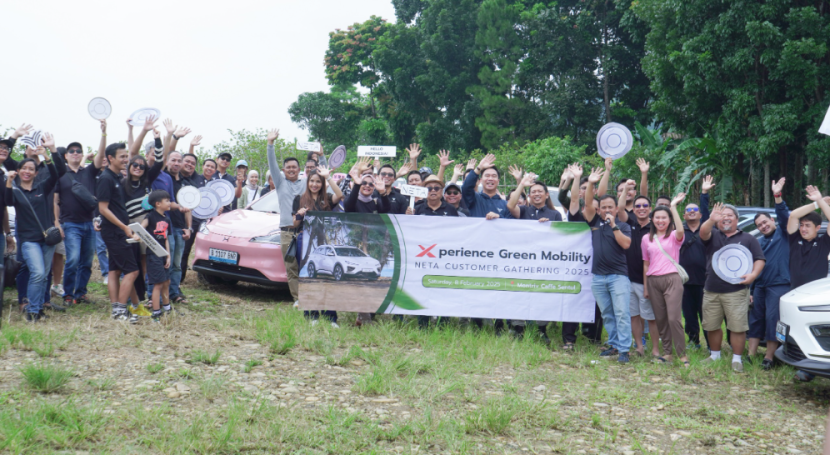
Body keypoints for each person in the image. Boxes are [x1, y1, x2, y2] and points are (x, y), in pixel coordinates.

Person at [266, 128, 333, 308]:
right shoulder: (280, 183)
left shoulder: (306, 182)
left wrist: (322, 156)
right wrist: (270, 144)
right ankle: (298, 299)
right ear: (283, 170)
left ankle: (313, 297)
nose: (291, 170)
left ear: (299, 169)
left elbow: (323, 175)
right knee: (292, 267)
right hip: (288, 231)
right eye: (288, 168)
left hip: (308, 231)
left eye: (294, 167)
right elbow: (271, 163)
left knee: (310, 265)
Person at [97, 117, 153, 321]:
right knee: (132, 271)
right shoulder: (105, 179)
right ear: (110, 158)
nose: (125, 159)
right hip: (115, 232)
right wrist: (124, 227)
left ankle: (117, 308)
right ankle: (120, 310)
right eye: (122, 156)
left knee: (114, 270)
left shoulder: (115, 178)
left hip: (117, 230)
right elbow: (103, 209)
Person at [699, 203, 766, 372]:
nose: (726, 218)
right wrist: (710, 219)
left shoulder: (748, 238)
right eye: (722, 215)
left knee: (737, 326)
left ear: (737, 219)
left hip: (736, 291)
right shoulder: (713, 234)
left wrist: (753, 275)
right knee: (712, 325)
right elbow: (703, 232)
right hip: (712, 289)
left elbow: (759, 259)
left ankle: (737, 359)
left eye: (730, 215)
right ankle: (715, 355)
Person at [5, 134, 60, 322]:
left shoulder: (42, 188)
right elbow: (7, 201)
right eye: (24, 168)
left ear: (36, 173)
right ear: (18, 170)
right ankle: (32, 310)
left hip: (47, 239)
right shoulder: (15, 191)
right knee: (37, 273)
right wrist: (9, 182)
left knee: (43, 275)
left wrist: (49, 153)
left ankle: (35, 309)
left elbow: (58, 173)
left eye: (31, 169)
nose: (27, 171)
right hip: (28, 240)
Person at [54, 120, 107, 306]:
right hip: (70, 223)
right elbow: (55, 200)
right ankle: (68, 293)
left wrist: (103, 133)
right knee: (73, 259)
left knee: (86, 261)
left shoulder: (89, 172)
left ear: (82, 155)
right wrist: (56, 222)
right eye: (72, 151)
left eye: (78, 151)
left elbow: (101, 156)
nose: (75, 153)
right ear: (66, 156)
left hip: (89, 223)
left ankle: (81, 293)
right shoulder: (61, 174)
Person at [583, 165, 633, 364]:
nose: (606, 210)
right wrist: (592, 184)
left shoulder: (622, 225)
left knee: (621, 313)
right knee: (608, 314)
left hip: (618, 277)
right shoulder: (593, 221)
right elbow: (586, 203)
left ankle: (624, 350)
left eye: (610, 207)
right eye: (603, 207)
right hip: (598, 278)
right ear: (599, 209)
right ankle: (613, 345)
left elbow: (626, 244)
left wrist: (613, 225)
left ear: (616, 208)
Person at [786, 186, 830, 382]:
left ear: (817, 228)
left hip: (814, 299)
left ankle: (810, 369)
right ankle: (797, 361)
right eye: (802, 225)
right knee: (794, 329)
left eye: (808, 225)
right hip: (795, 293)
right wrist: (814, 203)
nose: (803, 228)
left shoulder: (823, 243)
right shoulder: (795, 240)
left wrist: (822, 202)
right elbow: (793, 215)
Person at [747, 178, 791, 370]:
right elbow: (754, 268)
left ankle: (769, 357)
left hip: (779, 284)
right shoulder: (760, 242)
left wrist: (777, 196)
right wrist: (751, 289)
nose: (763, 226)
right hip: (760, 286)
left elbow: (784, 216)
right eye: (759, 225)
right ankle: (749, 355)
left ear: (772, 221)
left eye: (765, 222)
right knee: (756, 318)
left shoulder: (784, 233)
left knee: (773, 319)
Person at [641, 194, 689, 367]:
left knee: (674, 318)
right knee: (660, 319)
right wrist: (646, 287)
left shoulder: (675, 236)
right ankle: (667, 353)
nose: (660, 221)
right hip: (653, 281)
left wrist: (674, 207)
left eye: (664, 217)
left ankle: (682, 355)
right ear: (652, 219)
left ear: (669, 220)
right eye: (657, 217)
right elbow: (646, 264)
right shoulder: (647, 238)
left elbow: (682, 231)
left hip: (671, 279)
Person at [293, 166, 343, 327]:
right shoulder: (299, 198)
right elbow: (294, 224)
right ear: (307, 182)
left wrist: (328, 177)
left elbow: (340, 195)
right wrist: (299, 214)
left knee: (327, 278)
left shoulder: (327, 198)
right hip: (304, 241)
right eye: (312, 181)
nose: (314, 184)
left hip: (325, 243)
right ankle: (311, 315)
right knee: (309, 277)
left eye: (318, 182)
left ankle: (330, 317)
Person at [561, 164, 604, 348]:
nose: (590, 210)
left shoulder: (600, 222)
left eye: (594, 208)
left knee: (596, 306)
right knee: (572, 301)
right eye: (588, 207)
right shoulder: (575, 217)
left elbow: (589, 202)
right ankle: (569, 340)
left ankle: (594, 339)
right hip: (575, 269)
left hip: (596, 269)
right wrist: (577, 178)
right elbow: (574, 202)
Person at [150, 125, 193, 305]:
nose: (176, 163)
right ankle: (159, 296)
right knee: (164, 262)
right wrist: (172, 136)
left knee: (176, 264)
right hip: (163, 226)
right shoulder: (162, 175)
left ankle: (175, 293)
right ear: (167, 162)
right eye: (173, 160)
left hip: (179, 228)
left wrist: (189, 227)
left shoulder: (184, 181)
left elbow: (188, 207)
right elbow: (166, 152)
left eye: (179, 161)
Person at [343, 167, 390, 326]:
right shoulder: (353, 202)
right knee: (361, 279)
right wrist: (356, 184)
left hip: (377, 247)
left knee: (372, 279)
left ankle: (367, 312)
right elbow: (348, 208)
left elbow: (387, 211)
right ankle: (363, 316)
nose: (367, 186)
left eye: (371, 184)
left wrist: (383, 192)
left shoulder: (377, 202)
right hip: (357, 247)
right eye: (364, 183)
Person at [623, 194, 660, 358]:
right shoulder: (629, 224)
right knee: (634, 316)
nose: (641, 209)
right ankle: (639, 347)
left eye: (645, 205)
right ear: (633, 209)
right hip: (628, 278)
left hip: (648, 280)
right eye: (637, 206)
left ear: (650, 209)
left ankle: (656, 349)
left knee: (651, 317)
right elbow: (619, 208)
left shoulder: (657, 228)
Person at [679, 175, 713, 350]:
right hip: (684, 280)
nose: (691, 212)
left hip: (705, 279)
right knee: (689, 313)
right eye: (688, 210)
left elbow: (708, 213)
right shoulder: (679, 231)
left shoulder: (707, 230)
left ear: (700, 214)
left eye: (695, 210)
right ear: (684, 215)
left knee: (706, 313)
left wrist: (704, 193)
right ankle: (693, 341)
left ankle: (710, 343)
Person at [141, 190, 172, 323]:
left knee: (166, 282)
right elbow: (141, 228)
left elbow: (165, 238)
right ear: (158, 204)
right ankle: (156, 312)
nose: (169, 203)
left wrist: (168, 255)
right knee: (158, 284)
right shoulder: (150, 216)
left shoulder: (166, 218)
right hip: (153, 255)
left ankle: (167, 307)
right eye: (167, 201)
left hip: (163, 254)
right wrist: (137, 234)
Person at [462, 153, 509, 219]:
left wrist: (499, 217)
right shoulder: (474, 199)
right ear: (481, 180)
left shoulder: (505, 204)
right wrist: (479, 168)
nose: (490, 179)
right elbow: (466, 187)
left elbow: (511, 224)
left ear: (498, 181)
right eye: (487, 176)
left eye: (494, 176)